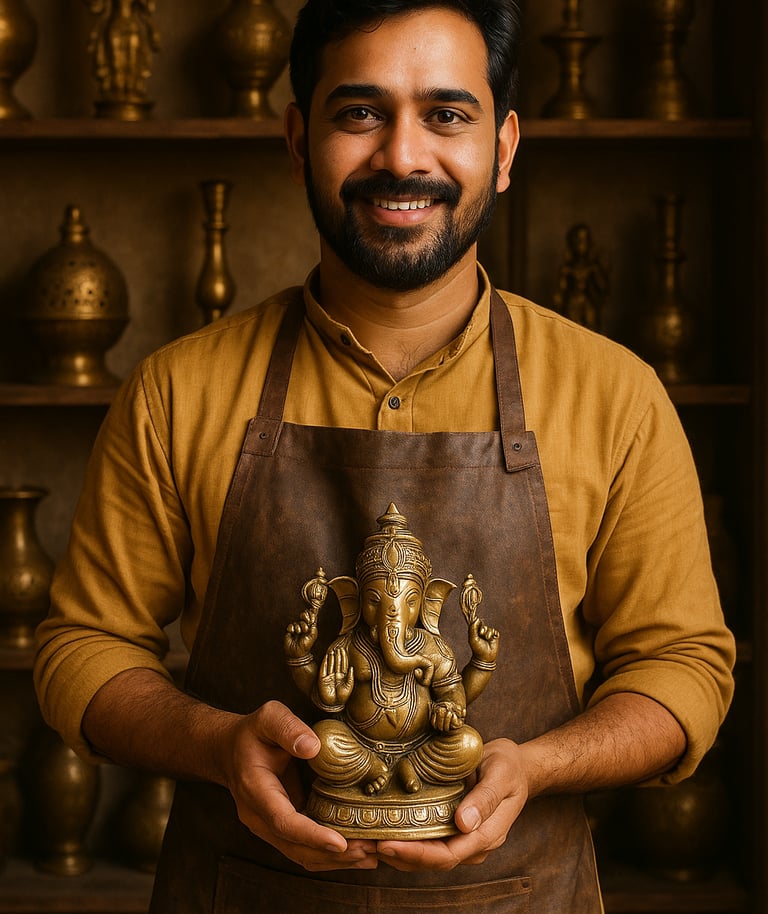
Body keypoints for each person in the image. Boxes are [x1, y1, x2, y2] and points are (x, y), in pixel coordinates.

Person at [34, 1, 735, 912]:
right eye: (360, 112)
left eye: (447, 114)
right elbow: (82, 649)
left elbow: (684, 668)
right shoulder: (179, 391)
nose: (403, 157)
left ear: (506, 146)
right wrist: (216, 746)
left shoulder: (616, 395)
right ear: (297, 140)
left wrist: (534, 765)